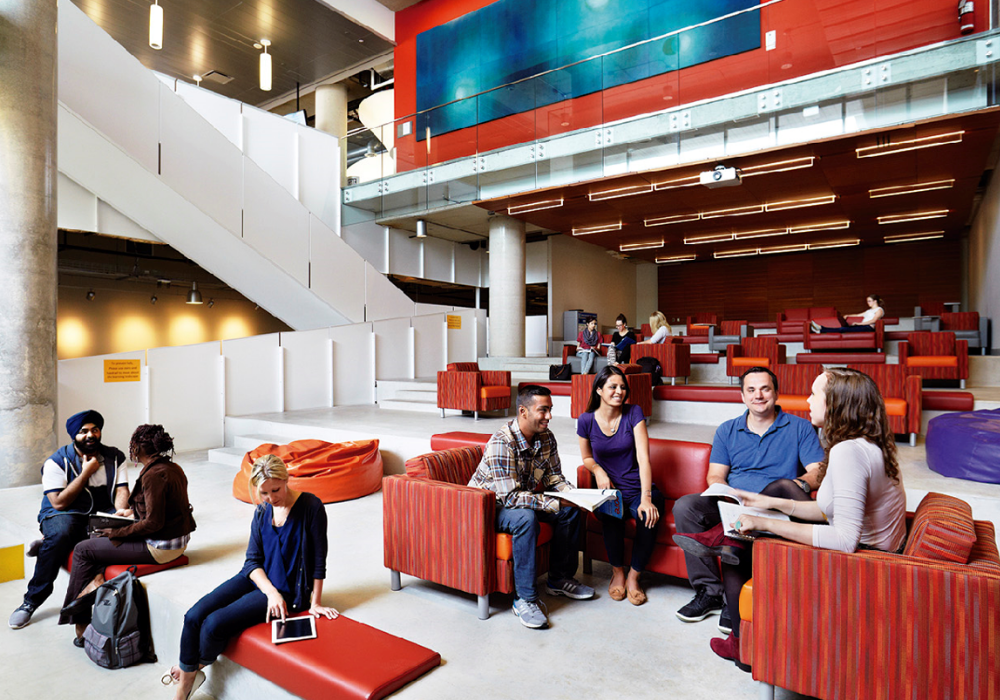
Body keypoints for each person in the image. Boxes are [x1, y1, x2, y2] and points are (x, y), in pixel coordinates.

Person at [705, 367, 907, 669]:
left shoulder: (847, 452)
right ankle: (722, 543)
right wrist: (766, 502)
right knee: (746, 534)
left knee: (734, 554)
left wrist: (765, 522)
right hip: (875, 558)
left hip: (863, 568)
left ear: (837, 404)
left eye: (814, 394)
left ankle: (742, 647)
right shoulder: (866, 444)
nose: (807, 400)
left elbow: (844, 540)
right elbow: (829, 511)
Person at [165, 455, 337, 700]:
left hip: (287, 590)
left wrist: (315, 602)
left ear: (286, 479)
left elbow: (319, 559)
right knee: (193, 616)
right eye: (264, 493)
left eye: (275, 490)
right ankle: (189, 676)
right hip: (258, 580)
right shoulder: (262, 510)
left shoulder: (311, 507)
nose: (270, 498)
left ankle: (191, 673)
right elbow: (252, 561)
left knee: (213, 624)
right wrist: (270, 592)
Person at [670, 367, 824, 631]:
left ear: (776, 393)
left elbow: (818, 471)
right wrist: (727, 494)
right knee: (686, 506)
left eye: (765, 388)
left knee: (768, 498)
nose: (758, 395)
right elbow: (715, 475)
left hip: (775, 504)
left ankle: (735, 601)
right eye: (751, 390)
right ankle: (710, 592)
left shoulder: (800, 427)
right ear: (742, 396)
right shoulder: (727, 430)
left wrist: (798, 484)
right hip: (734, 501)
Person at [468, 385, 594, 629]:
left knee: (569, 510)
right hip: (487, 507)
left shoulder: (546, 437)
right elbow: (509, 499)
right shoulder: (502, 442)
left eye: (550, 410)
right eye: (543, 410)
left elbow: (553, 477)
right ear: (523, 411)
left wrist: (573, 496)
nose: (549, 416)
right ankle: (524, 598)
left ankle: (559, 579)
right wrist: (553, 502)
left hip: (518, 499)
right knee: (526, 518)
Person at [59, 424, 197, 646]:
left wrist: (118, 531)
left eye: (133, 444)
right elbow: (163, 508)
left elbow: (154, 522)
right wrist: (130, 512)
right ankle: (95, 581)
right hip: (175, 540)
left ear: (139, 448)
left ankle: (79, 620)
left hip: (160, 548)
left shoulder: (154, 475)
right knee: (96, 536)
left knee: (83, 550)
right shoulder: (171, 467)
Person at [8, 409, 129, 630]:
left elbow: (122, 490)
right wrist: (86, 473)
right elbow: (59, 502)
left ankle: (51, 545)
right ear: (74, 435)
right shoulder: (56, 462)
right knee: (63, 532)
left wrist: (120, 512)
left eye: (95, 430)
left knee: (117, 533)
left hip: (99, 512)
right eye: (83, 431)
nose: (90, 435)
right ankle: (30, 601)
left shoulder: (115, 457)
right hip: (63, 513)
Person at [577, 366, 662, 605]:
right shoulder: (585, 420)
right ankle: (617, 572)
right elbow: (586, 457)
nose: (619, 391)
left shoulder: (634, 412)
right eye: (613, 386)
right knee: (611, 516)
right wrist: (598, 470)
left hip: (639, 488)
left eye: (622, 387)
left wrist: (646, 498)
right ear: (599, 390)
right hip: (610, 490)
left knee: (649, 515)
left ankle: (634, 576)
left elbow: (644, 458)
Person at [811, 295, 885, 333]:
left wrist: (858, 324)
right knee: (843, 327)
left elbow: (874, 320)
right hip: (864, 326)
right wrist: (848, 315)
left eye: (869, 301)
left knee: (842, 329)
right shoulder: (869, 311)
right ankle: (821, 328)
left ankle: (821, 329)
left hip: (868, 328)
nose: (868, 303)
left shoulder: (879, 310)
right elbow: (857, 315)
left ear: (875, 301)